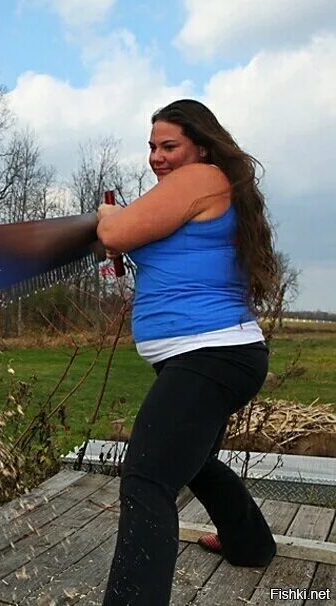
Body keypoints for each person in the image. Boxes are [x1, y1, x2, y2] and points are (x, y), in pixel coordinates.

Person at [95, 99, 279, 604]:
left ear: (200, 144)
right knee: (192, 459)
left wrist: (109, 217)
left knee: (146, 479)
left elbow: (114, 230)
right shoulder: (202, 187)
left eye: (169, 145)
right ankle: (251, 544)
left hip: (210, 354)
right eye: (152, 146)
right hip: (213, 355)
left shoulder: (200, 177)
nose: (157, 156)